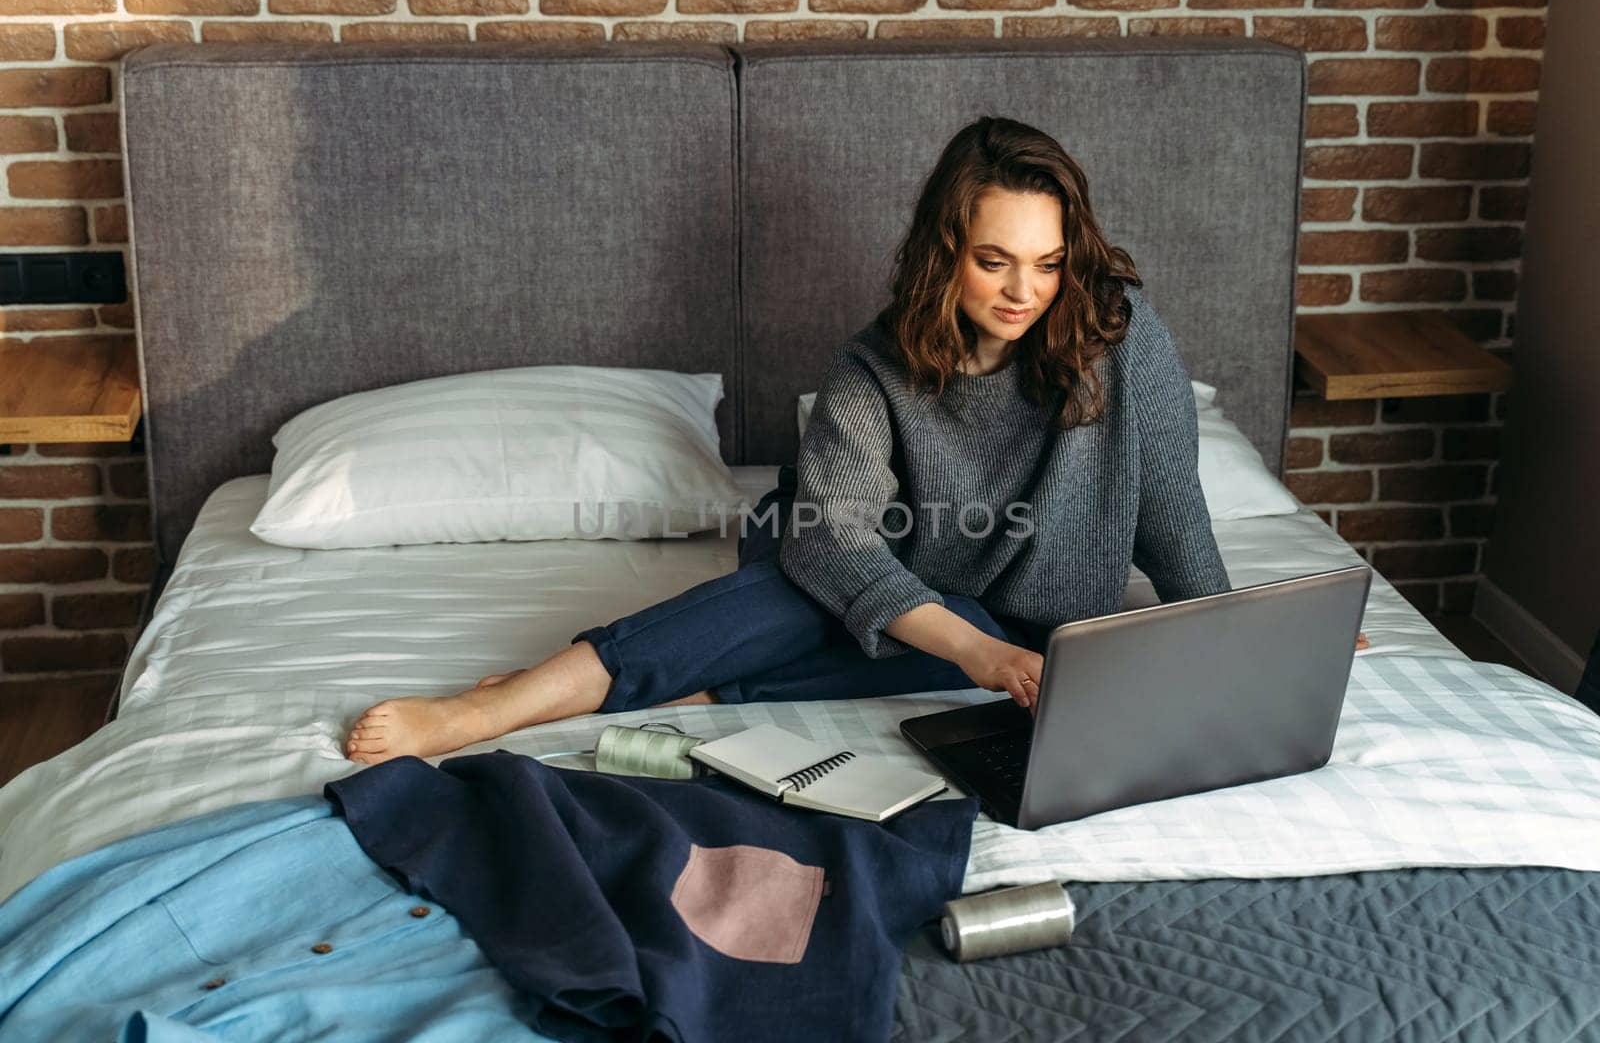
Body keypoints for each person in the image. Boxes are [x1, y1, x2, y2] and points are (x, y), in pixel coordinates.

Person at [343, 116, 1362, 766]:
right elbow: (832, 540)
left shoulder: (1117, 330)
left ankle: (657, 681)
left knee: (1048, 671)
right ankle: (492, 709)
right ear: (944, 254)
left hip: (1039, 622)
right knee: (783, 593)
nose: (1023, 292)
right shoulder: (873, 366)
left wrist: (1242, 636)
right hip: (889, 589)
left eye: (1048, 264)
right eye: (995, 261)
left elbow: (1168, 500)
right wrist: (974, 649)